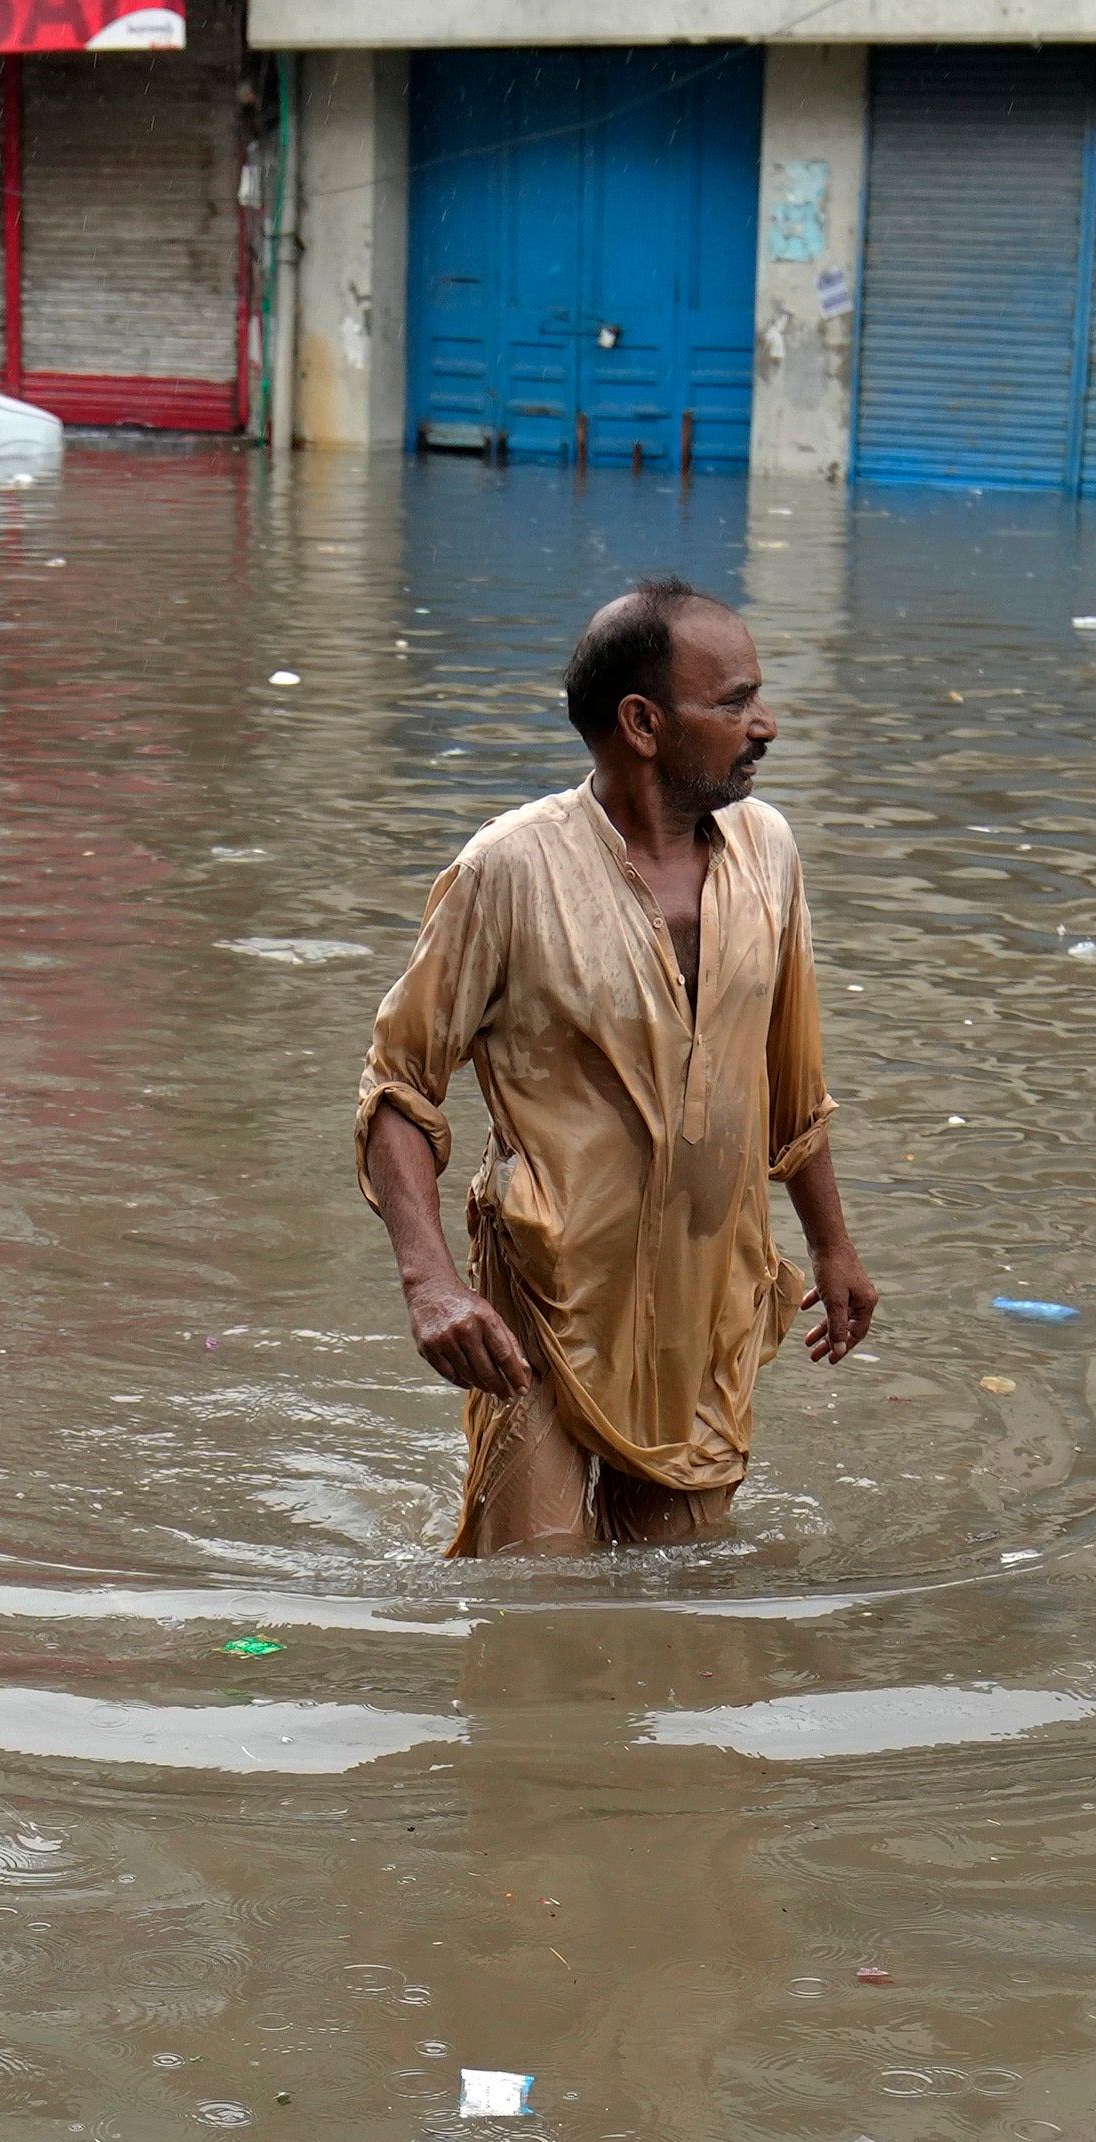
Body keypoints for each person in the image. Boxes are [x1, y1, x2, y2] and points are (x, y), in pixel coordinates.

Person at [355, 579, 880, 1557]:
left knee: (679, 1609)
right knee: (534, 1620)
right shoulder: (507, 871)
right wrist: (431, 1284)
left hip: (703, 1314)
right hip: (542, 1318)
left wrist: (834, 1245)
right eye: (733, 703)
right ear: (642, 722)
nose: (764, 724)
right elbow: (399, 1085)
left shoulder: (768, 851)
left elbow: (792, 1080)